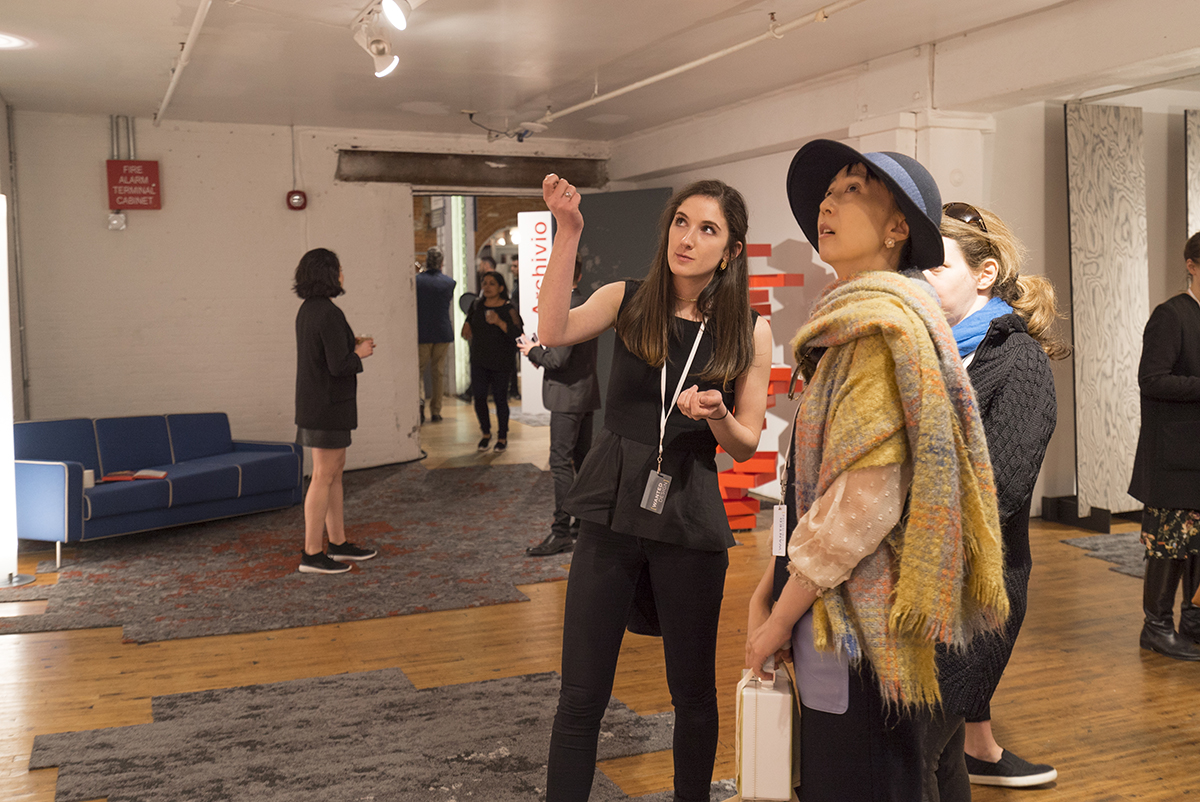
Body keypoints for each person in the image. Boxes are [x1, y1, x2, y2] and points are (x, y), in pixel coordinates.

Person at [744, 142, 1008, 802]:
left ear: (899, 229)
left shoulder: (877, 330)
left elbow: (863, 501)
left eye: (855, 189)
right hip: (849, 615)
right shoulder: (867, 321)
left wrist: (780, 616)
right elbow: (824, 486)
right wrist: (772, 583)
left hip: (866, 626)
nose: (829, 201)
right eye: (828, 191)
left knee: (858, 781)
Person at [537, 174, 773, 802]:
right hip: (611, 507)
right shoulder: (626, 297)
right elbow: (554, 329)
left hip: (688, 516)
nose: (688, 239)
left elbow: (749, 441)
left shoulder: (748, 330)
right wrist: (568, 232)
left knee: (693, 693)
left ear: (732, 250)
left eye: (708, 229)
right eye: (681, 222)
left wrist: (718, 415)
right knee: (581, 693)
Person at [925, 202, 1067, 790]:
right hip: (912, 590)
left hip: (972, 596)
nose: (918, 278)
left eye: (934, 265)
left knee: (917, 756)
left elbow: (999, 492)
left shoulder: (1018, 363)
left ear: (983, 275)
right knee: (939, 757)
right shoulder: (926, 350)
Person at [1128, 232, 1200, 661]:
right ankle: (1155, 626)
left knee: (1198, 546)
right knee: (1169, 546)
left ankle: (1193, 619)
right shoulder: (1171, 315)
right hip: (1174, 456)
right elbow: (1152, 379)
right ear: (1191, 264)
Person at [293, 248, 379, 574]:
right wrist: (360, 352)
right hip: (326, 404)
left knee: (333, 475)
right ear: (327, 273)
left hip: (319, 402)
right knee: (323, 477)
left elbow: (324, 353)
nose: (343, 274)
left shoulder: (309, 310)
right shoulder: (329, 312)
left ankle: (339, 544)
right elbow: (339, 365)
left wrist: (349, 346)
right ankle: (312, 553)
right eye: (339, 269)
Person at [519, 258, 601, 557]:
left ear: (568, 275)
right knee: (581, 462)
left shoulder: (569, 308)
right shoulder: (585, 303)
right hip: (583, 395)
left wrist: (534, 351)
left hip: (568, 397)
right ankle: (582, 525)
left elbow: (557, 360)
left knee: (560, 463)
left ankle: (561, 532)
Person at [462, 270, 523, 453]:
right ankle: (486, 433)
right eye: (484, 283)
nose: (487, 287)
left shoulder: (508, 308)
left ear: (501, 288)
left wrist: (499, 322)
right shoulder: (476, 305)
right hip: (479, 360)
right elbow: (468, 324)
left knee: (500, 400)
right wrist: (466, 327)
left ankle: (502, 436)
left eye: (491, 283)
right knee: (479, 398)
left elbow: (518, 334)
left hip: (501, 362)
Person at [415, 247, 456, 424]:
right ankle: (436, 411)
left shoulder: (416, 281)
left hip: (422, 332)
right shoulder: (449, 282)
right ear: (441, 263)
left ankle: (420, 405)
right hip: (442, 331)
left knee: (418, 372)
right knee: (438, 373)